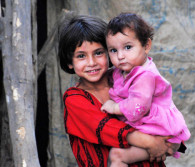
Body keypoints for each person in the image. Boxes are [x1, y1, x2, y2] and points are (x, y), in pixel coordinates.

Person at [58, 14, 184, 167]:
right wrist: (151, 142)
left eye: (98, 53)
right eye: (81, 56)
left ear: (110, 53)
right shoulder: (74, 98)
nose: (91, 63)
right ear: (69, 62)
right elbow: (107, 129)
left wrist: (170, 140)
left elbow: (160, 111)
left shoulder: (126, 81)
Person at [101, 12, 191, 166]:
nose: (120, 56)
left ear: (146, 46)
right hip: (148, 129)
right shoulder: (122, 70)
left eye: (128, 47)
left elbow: (139, 107)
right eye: (113, 50)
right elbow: (113, 79)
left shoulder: (145, 76)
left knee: (117, 155)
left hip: (160, 132)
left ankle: (168, 146)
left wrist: (115, 107)